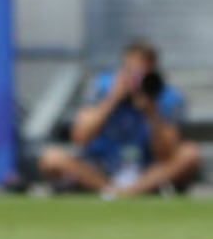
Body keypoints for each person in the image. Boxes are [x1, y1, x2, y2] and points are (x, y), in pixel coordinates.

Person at [37, 40, 202, 198]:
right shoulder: (102, 87)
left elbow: (166, 154)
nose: (136, 80)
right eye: (131, 71)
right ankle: (111, 190)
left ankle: (127, 193)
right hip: (101, 168)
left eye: (142, 74)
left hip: (146, 171)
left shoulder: (167, 97)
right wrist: (112, 100)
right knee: (52, 157)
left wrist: (152, 113)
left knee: (189, 154)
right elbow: (80, 138)